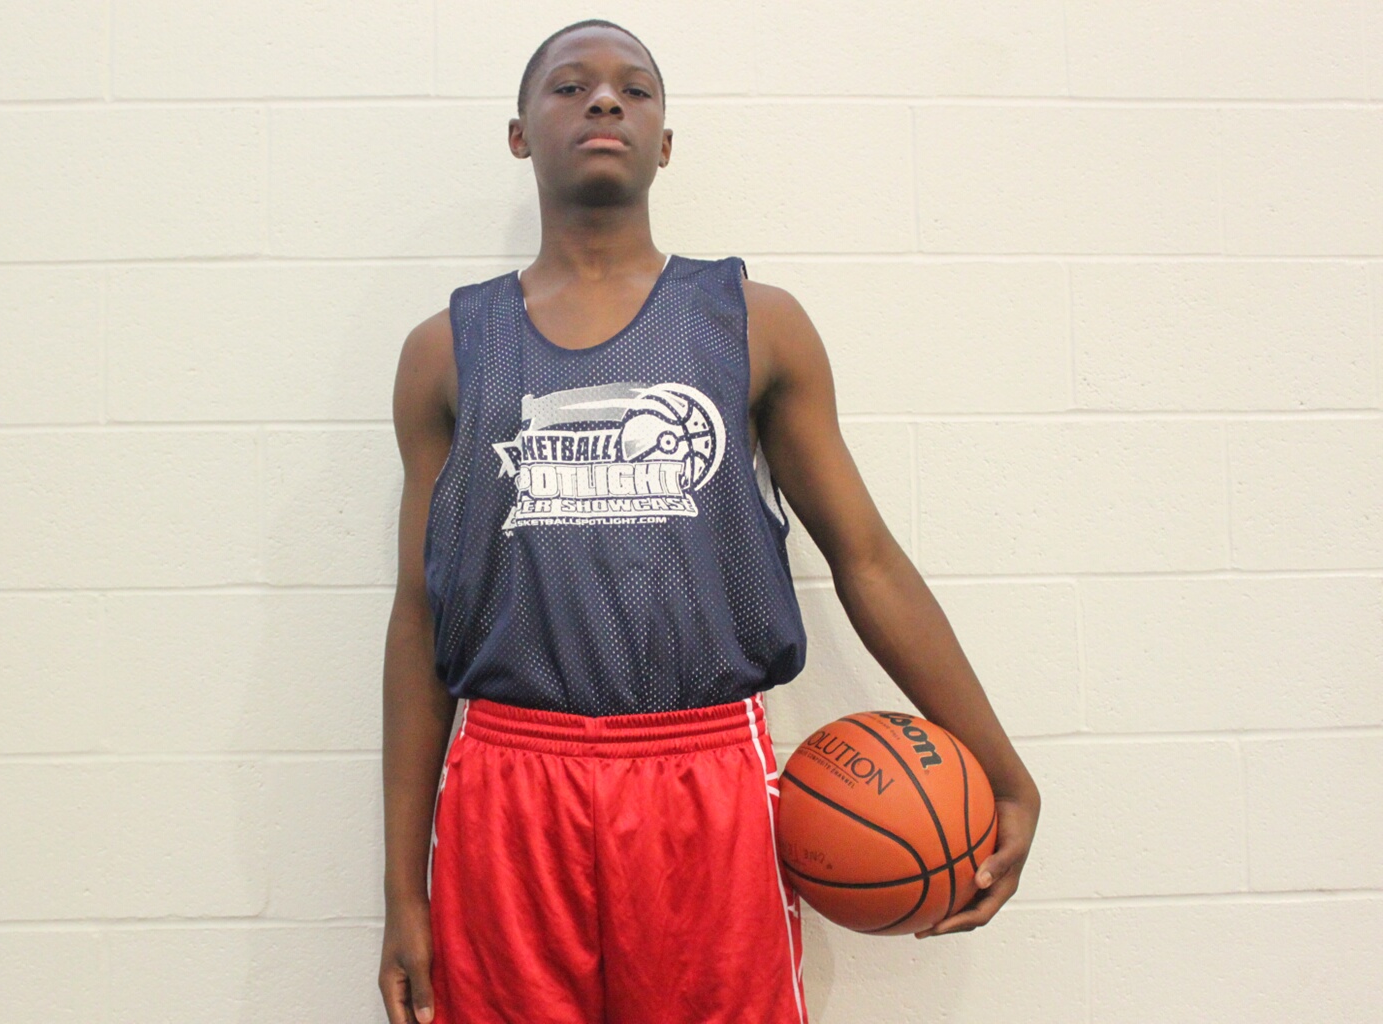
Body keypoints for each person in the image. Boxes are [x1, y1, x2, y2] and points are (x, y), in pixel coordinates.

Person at [379, 18, 1041, 1024]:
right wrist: (401, 889)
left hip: (706, 774)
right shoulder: (447, 349)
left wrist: (1000, 765)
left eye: (635, 88)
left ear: (666, 141)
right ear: (518, 134)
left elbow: (866, 559)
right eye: (570, 86)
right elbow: (420, 617)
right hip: (508, 781)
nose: (605, 100)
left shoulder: (754, 321)